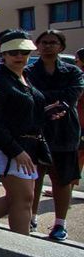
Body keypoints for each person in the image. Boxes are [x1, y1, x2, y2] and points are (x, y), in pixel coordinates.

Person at [0, 30, 52, 235]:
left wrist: (47, 113)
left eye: (24, 52)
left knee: (16, 198)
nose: (19, 57)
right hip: (9, 148)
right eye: (13, 53)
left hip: (26, 146)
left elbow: (24, 110)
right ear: (4, 55)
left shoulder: (24, 76)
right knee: (24, 199)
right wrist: (15, 150)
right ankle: (22, 248)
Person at [25, 30, 84, 241]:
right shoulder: (29, 71)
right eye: (44, 42)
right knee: (34, 177)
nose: (48, 46)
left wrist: (44, 100)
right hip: (36, 132)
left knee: (62, 180)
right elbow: (29, 96)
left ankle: (60, 224)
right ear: (37, 46)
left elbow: (72, 95)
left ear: (61, 46)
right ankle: (30, 217)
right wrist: (51, 101)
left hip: (65, 133)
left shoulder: (73, 72)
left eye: (53, 42)